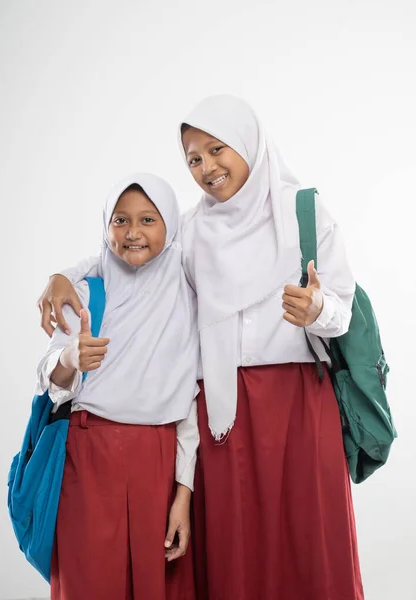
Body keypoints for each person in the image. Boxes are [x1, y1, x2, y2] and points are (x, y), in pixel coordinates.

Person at [37, 96, 363, 600]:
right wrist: (64, 274)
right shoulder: (191, 228)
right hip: (222, 411)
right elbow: (130, 250)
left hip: (299, 406)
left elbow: (342, 312)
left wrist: (319, 311)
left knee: (308, 541)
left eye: (217, 149)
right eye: (193, 158)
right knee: (234, 550)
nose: (207, 168)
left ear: (249, 143)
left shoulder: (306, 212)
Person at [37, 173, 199, 600]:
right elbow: (51, 379)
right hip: (89, 455)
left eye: (148, 219)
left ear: (171, 225)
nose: (132, 233)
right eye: (120, 220)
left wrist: (183, 493)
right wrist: (71, 359)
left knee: (154, 585)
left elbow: (190, 401)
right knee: (87, 582)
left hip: (158, 458)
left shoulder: (187, 293)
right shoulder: (88, 291)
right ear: (105, 226)